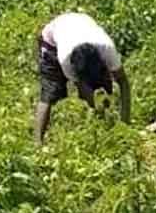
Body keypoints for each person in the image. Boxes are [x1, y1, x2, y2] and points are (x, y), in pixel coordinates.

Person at [34, 12, 131, 144]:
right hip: (50, 41)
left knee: (104, 86)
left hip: (80, 22)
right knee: (50, 91)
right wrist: (98, 109)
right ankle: (38, 143)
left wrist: (124, 123)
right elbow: (83, 88)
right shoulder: (65, 59)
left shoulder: (107, 49)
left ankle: (105, 125)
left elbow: (123, 82)